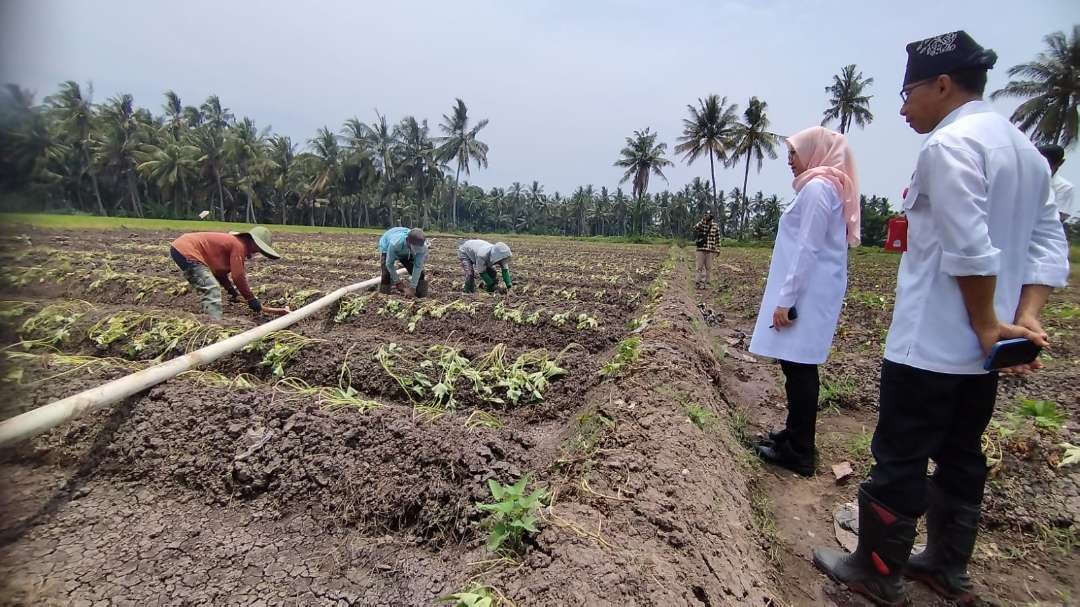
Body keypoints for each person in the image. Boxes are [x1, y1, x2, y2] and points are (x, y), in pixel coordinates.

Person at [812, 31, 1069, 607]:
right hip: (984, 357)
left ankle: (877, 571)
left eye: (907, 94)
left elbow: (968, 246)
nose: (903, 108)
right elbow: (1048, 242)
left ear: (943, 85)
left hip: (930, 347)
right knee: (961, 454)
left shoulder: (950, 146)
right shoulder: (1025, 152)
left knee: (900, 455)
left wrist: (984, 323)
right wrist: (1023, 317)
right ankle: (946, 566)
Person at [749, 126, 860, 477]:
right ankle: (793, 436)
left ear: (814, 151)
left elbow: (807, 248)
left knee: (799, 370)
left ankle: (799, 451)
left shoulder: (817, 188)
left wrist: (786, 299)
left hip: (807, 294)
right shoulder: (827, 186)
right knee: (796, 367)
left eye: (794, 154)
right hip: (812, 292)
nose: (790, 162)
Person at [169, 226, 290, 321]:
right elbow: (238, 276)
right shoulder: (238, 246)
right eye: (258, 249)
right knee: (211, 288)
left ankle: (211, 319)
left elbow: (219, 273)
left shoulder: (233, 243)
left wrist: (231, 291)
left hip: (180, 247)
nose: (256, 252)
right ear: (252, 242)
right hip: (187, 250)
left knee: (209, 283)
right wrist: (251, 299)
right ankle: (213, 323)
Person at [378, 227, 429, 298]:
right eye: (416, 247)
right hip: (387, 245)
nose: (418, 250)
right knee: (386, 275)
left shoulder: (422, 247)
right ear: (408, 241)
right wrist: (398, 282)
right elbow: (389, 263)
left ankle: (420, 296)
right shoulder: (395, 244)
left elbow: (418, 266)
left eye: (419, 248)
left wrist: (412, 287)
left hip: (407, 251)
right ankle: (383, 296)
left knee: (421, 274)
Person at [1037, 144, 1078, 231]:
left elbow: (1060, 216)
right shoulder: (1026, 179)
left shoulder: (1065, 187)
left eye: (1049, 162)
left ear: (1061, 163)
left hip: (1044, 232)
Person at [692, 213, 721, 288]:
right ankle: (698, 283)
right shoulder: (702, 224)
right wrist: (703, 220)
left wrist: (718, 249)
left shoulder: (715, 226)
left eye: (710, 219)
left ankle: (707, 283)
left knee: (708, 268)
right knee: (699, 267)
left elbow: (718, 239)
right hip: (700, 250)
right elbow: (695, 228)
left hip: (710, 250)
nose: (709, 221)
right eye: (707, 219)